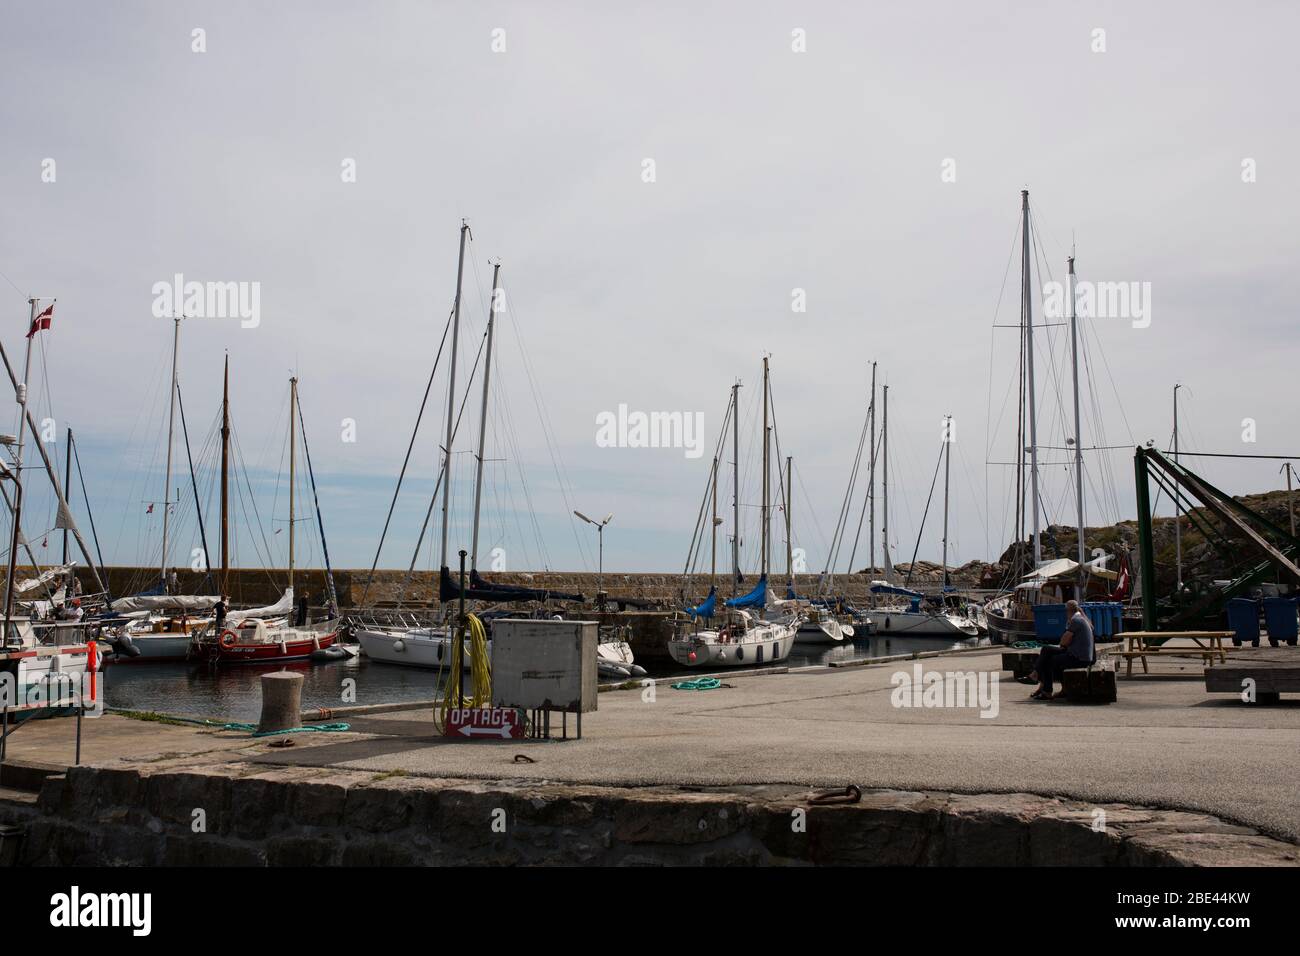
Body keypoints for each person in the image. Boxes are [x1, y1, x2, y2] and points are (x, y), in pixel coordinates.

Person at [1029, 599, 1094, 700]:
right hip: (1080, 655)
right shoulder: (1081, 619)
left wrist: (1064, 640)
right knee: (1046, 650)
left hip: (1078, 657)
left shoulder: (1076, 621)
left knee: (1048, 660)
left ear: (1068, 610)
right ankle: (1039, 678)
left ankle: (1045, 689)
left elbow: (1064, 641)